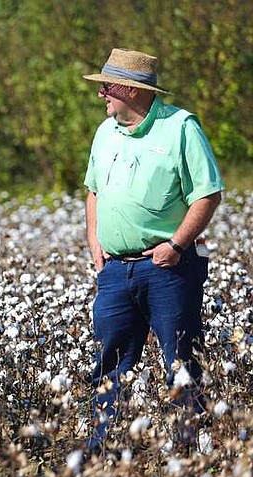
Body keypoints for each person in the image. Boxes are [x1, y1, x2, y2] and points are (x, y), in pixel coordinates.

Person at [82, 48, 224, 452]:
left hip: (168, 269)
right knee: (110, 363)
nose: (100, 95)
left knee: (180, 363)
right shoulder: (105, 132)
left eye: (106, 87)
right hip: (114, 271)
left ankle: (188, 455)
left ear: (131, 89)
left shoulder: (181, 128)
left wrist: (177, 245)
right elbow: (93, 190)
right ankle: (99, 451)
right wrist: (95, 242)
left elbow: (207, 194)